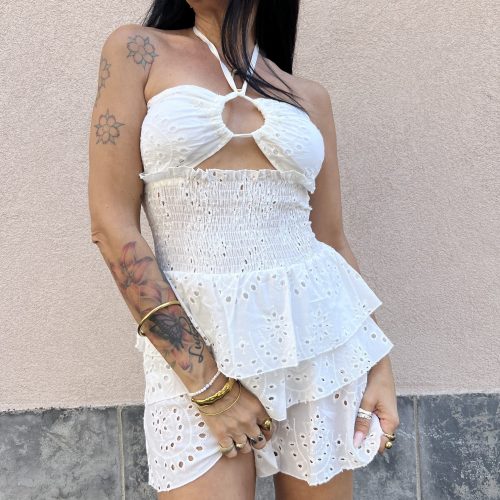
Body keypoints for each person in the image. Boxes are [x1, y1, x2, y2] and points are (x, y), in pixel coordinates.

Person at [88, 1, 399, 498]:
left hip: (319, 344)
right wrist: (209, 387)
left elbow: (331, 241)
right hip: (196, 354)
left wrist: (379, 365)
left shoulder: (308, 97)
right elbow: (112, 227)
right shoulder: (137, 51)